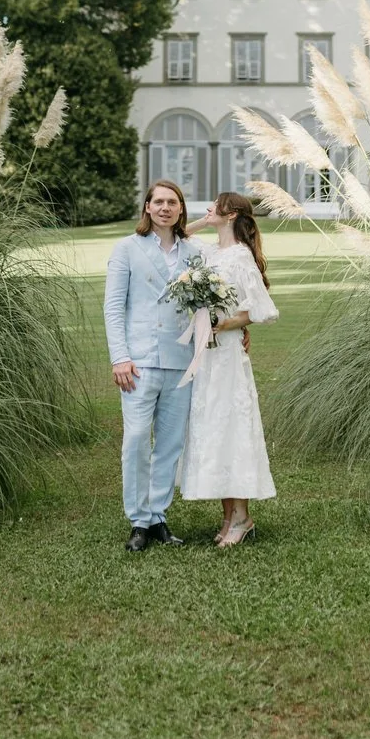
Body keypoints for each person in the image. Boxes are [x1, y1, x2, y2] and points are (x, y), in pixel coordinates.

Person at [103, 180, 200, 553]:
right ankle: (138, 520)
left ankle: (158, 516)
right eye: (157, 201)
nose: (164, 207)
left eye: (171, 202)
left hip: (179, 360)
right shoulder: (127, 248)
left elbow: (203, 305)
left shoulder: (192, 253)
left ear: (180, 210)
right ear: (146, 207)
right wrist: (119, 357)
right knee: (136, 441)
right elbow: (114, 307)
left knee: (170, 444)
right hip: (139, 361)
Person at [179, 191, 278, 547]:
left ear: (232, 214)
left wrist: (225, 324)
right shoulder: (211, 252)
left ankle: (242, 516)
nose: (208, 209)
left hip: (227, 353)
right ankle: (228, 517)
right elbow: (180, 235)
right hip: (206, 355)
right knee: (213, 427)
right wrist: (207, 221)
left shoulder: (240, 257)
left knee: (232, 427)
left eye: (215, 206)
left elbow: (260, 309)